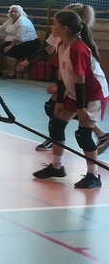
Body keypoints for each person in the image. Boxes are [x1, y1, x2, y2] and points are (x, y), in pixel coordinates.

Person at [32, 10, 107, 190]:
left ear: (64, 28)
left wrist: (80, 108)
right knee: (56, 124)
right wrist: (59, 101)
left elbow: (81, 82)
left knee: (83, 134)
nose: (51, 26)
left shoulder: (78, 49)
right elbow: (61, 76)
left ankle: (93, 176)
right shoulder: (63, 45)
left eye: (55, 24)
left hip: (93, 95)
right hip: (76, 92)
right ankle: (57, 167)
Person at [0, 5, 39, 78]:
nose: (13, 13)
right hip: (15, 42)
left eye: (15, 11)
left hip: (29, 43)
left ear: (20, 12)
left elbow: (19, 37)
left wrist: (10, 46)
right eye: (11, 12)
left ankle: (12, 73)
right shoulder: (10, 20)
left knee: (10, 52)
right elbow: (1, 28)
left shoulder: (22, 21)